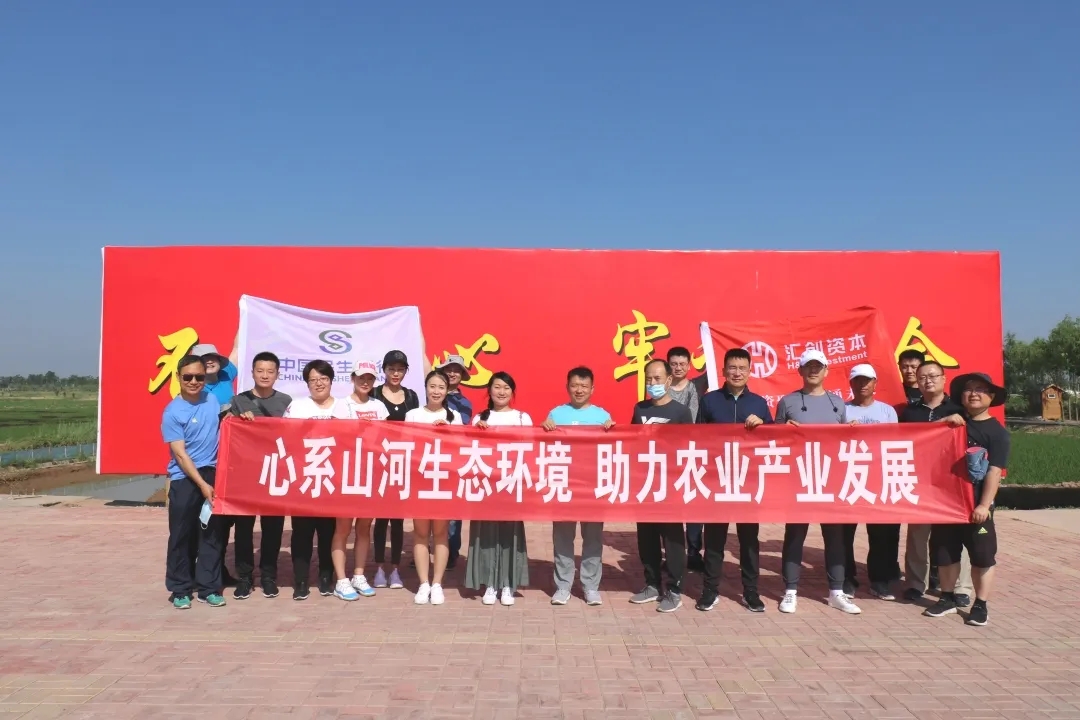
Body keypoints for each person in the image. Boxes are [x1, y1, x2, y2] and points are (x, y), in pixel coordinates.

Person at [774, 348, 861, 615]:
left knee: (835, 537)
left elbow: (844, 440)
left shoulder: (837, 403)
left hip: (830, 479)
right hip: (798, 479)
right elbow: (773, 440)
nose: (813, 370)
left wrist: (852, 431)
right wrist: (782, 431)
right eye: (808, 366)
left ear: (826, 371)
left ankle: (836, 592)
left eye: (818, 366)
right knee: (795, 535)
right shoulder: (787, 402)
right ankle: (790, 591)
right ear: (800, 370)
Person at [924, 372, 1008, 627]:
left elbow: (995, 471)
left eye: (980, 389)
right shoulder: (952, 422)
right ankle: (947, 598)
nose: (974, 394)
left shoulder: (997, 433)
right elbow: (922, 440)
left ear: (991, 396)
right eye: (969, 389)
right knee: (945, 553)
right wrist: (943, 423)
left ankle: (980, 604)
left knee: (982, 556)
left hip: (976, 506)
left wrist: (984, 504)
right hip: (947, 504)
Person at [695, 347, 772, 613]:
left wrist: (763, 424)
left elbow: (773, 439)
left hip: (748, 482)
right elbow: (698, 439)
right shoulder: (710, 401)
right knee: (714, 540)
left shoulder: (759, 403)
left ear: (750, 372)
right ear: (724, 371)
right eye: (732, 368)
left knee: (749, 541)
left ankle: (751, 592)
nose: (737, 373)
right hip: (717, 481)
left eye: (742, 368)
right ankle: (710, 590)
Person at [899, 361, 973, 606]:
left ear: (944, 378)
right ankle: (914, 584)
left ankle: (961, 587)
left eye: (932, 375)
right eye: (922, 377)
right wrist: (939, 425)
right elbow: (904, 441)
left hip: (952, 482)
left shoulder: (960, 409)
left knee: (955, 536)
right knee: (917, 536)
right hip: (920, 481)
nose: (927, 380)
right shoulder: (910, 412)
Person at [542, 366, 615, 606]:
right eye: (575, 385)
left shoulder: (602, 416)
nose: (579, 390)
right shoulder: (556, 414)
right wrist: (546, 428)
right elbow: (544, 446)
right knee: (563, 538)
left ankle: (590, 586)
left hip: (592, 486)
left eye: (584, 386)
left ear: (592, 389)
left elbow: (613, 448)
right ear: (567, 387)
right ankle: (563, 586)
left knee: (593, 538)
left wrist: (612, 431)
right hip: (564, 484)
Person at [162, 355, 228, 609]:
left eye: (199, 377)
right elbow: (180, 455)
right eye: (188, 377)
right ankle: (180, 589)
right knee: (181, 535)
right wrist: (201, 484)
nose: (193, 381)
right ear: (178, 377)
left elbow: (225, 426)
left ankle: (208, 588)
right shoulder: (172, 412)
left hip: (212, 475)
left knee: (212, 534)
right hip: (185, 479)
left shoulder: (212, 400)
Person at [283, 359, 351, 600]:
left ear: (331, 381)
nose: (319, 383)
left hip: (334, 480)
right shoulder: (297, 407)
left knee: (328, 531)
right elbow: (284, 437)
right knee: (302, 532)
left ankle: (325, 577)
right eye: (313, 380)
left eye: (323, 379)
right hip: (304, 479)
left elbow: (355, 440)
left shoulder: (345, 408)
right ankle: (300, 581)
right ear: (307, 383)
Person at [227, 351, 292, 600]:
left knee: (273, 528)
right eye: (260, 370)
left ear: (277, 374)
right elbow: (228, 431)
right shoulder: (238, 401)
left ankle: (268, 577)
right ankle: (244, 578)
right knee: (243, 528)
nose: (265, 375)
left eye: (270, 371)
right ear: (252, 372)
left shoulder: (286, 401)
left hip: (275, 473)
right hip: (246, 475)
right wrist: (237, 420)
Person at [628, 359, 692, 613]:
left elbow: (689, 448)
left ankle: (675, 589)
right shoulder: (639, 408)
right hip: (645, 484)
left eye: (657, 378)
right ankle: (652, 584)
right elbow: (631, 441)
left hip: (671, 485)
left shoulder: (681, 412)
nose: (652, 383)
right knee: (647, 537)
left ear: (669, 380)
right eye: (649, 379)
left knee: (673, 539)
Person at [465, 371, 532, 606]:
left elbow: (530, 450)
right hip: (486, 486)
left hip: (512, 484)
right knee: (486, 534)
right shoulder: (479, 419)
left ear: (512, 392)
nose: (501, 392)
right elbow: (469, 450)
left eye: (506, 387)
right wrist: (476, 432)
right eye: (497, 387)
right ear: (489, 390)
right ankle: (489, 584)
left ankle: (507, 584)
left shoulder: (522, 418)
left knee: (510, 534)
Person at [330, 360, 389, 601]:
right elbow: (335, 437)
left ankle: (358, 575)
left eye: (370, 378)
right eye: (361, 377)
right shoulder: (341, 405)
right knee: (343, 528)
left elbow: (386, 438)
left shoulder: (379, 406)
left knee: (364, 528)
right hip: (347, 474)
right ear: (352, 378)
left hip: (371, 474)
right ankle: (341, 580)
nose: (365, 382)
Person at [405, 370, 463, 605]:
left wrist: (447, 432)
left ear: (447, 390)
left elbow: (461, 448)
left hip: (443, 482)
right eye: (432, 386)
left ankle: (437, 583)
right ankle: (423, 583)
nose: (436, 391)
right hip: (420, 481)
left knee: (440, 533)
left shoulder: (454, 417)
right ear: (426, 388)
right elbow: (406, 444)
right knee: (420, 533)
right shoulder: (413, 414)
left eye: (441, 387)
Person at [844, 363, 900, 601]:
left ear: (875, 383)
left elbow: (896, 443)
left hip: (878, 479)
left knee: (880, 533)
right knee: (844, 533)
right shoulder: (842, 410)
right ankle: (847, 579)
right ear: (851, 384)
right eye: (857, 380)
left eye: (867, 380)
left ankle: (879, 580)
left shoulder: (887, 412)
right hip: (848, 477)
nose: (862, 384)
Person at [370, 349, 420, 590]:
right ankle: (379, 568)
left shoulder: (411, 396)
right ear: (384, 370)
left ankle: (396, 570)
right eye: (391, 369)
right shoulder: (374, 394)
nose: (396, 373)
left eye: (400, 369)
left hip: (402, 464)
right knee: (380, 519)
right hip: (378, 463)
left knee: (398, 520)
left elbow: (418, 429)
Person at [666, 346, 703, 573]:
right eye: (674, 364)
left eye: (682, 364)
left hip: (690, 452)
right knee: (670, 506)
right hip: (666, 455)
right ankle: (672, 553)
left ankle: (694, 551)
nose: (678, 368)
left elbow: (690, 418)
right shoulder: (662, 388)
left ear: (689, 366)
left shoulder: (693, 389)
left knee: (693, 505)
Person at [438, 354, 473, 570]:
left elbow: (462, 430)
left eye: (457, 371)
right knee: (428, 507)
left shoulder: (464, 403)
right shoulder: (430, 395)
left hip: (453, 460)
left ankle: (451, 552)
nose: (452, 373)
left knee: (452, 512)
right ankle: (428, 549)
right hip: (430, 458)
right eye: (449, 369)